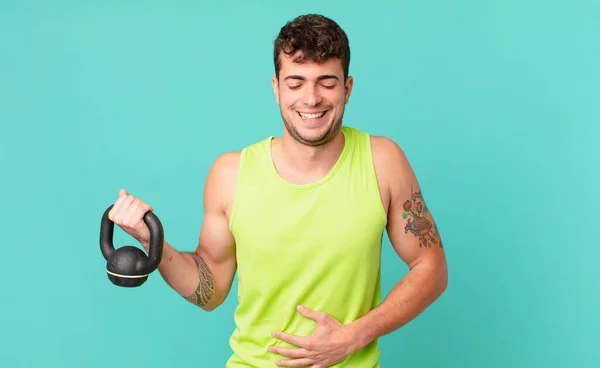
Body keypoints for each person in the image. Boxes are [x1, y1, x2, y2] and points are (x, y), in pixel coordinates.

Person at [108, 13, 448, 368]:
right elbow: (211, 290)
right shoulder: (231, 174)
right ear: (276, 88)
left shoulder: (383, 162)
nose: (311, 98)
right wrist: (153, 243)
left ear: (347, 88)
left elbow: (432, 268)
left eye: (326, 82)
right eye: (296, 82)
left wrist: (354, 336)